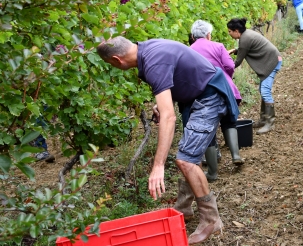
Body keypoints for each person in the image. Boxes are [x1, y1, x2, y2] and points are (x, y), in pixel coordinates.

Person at [97, 36, 239, 245]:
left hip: (210, 96)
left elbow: (169, 117)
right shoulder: (147, 49)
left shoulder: (152, 62)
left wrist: (158, 166)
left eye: (111, 65)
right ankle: (184, 208)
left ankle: (211, 220)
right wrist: (162, 104)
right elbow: (177, 75)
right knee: (190, 155)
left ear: (117, 60)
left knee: (186, 160)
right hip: (196, 95)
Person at [190, 20, 245, 182]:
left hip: (203, 92)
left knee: (208, 130)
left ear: (193, 36)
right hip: (224, 88)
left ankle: (213, 172)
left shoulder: (189, 51)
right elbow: (229, 66)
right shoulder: (218, 46)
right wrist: (226, 77)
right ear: (209, 34)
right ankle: (235, 155)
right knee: (229, 122)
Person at [226, 18, 282, 135]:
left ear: (236, 31)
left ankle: (269, 122)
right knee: (263, 90)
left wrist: (224, 66)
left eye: (230, 31)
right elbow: (245, 48)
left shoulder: (244, 39)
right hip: (273, 59)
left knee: (265, 91)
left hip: (272, 61)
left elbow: (237, 62)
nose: (229, 33)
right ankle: (263, 120)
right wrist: (235, 50)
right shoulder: (247, 34)